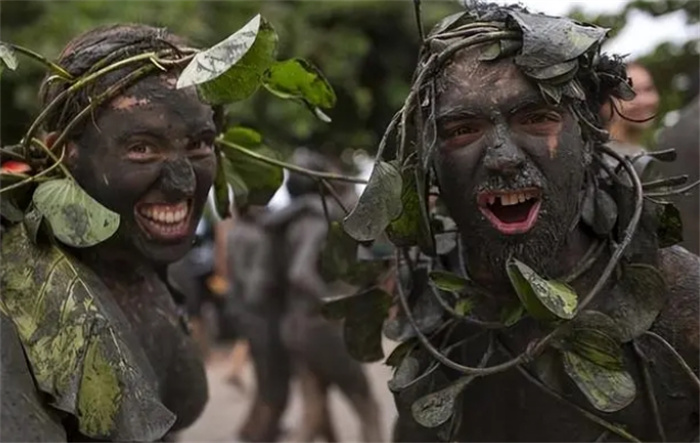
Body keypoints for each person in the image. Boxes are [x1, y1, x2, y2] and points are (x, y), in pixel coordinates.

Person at [370, 3, 699, 441]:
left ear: (587, 141)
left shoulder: (677, 301)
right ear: (430, 164)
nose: (503, 158)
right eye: (463, 129)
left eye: (537, 118)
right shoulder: (435, 312)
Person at [1, 24, 216, 441]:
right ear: (61, 154)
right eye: (142, 148)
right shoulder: (21, 290)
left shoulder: (137, 261)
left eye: (199, 143)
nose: (182, 182)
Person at [226, 149, 383, 442]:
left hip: (293, 326)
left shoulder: (281, 225)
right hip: (319, 326)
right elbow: (300, 274)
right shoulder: (315, 221)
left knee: (313, 411)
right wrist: (334, 303)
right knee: (367, 406)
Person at [603, 61, 660, 157]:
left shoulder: (641, 154)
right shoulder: (604, 162)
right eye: (629, 93)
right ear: (605, 104)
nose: (644, 101)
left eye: (648, 89)